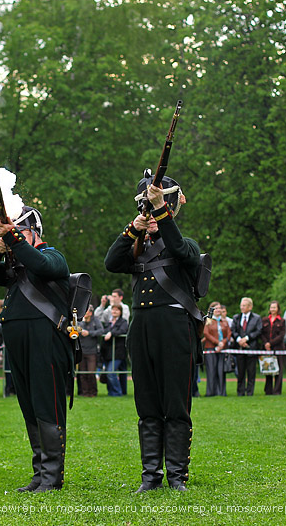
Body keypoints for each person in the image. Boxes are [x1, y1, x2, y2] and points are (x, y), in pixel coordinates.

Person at [104, 174, 199, 492]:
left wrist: (162, 213)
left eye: (158, 207)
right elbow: (111, 262)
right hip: (141, 329)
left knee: (175, 404)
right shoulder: (137, 246)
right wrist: (133, 229)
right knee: (146, 405)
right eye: (148, 207)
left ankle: (176, 475)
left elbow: (181, 249)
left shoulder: (185, 244)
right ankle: (150, 476)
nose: (153, 215)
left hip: (175, 329)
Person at [0, 205, 71, 492]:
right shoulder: (15, 267)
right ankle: (39, 472)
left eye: (19, 233)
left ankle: (52, 475)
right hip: (18, 342)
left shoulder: (52, 256)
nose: (13, 240)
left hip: (46, 341)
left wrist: (15, 240)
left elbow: (43, 266)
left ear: (33, 233)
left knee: (47, 405)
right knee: (30, 406)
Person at [231, 297, 262, 397]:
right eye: (241, 305)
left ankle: (249, 392)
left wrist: (247, 338)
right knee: (240, 372)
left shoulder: (257, 318)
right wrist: (239, 340)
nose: (241, 307)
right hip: (239, 349)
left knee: (251, 372)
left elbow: (258, 331)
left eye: (244, 305)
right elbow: (233, 330)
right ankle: (240, 392)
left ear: (250, 307)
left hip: (251, 348)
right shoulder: (236, 317)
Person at [203, 301, 231, 397]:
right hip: (210, 349)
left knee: (221, 371)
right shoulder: (208, 321)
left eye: (219, 308)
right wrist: (217, 343)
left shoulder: (224, 322)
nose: (218, 310)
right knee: (211, 371)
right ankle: (211, 392)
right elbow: (206, 333)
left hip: (222, 349)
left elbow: (229, 334)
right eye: (216, 308)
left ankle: (221, 392)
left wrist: (222, 343)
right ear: (212, 310)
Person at [101, 304, 129, 397]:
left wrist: (111, 333)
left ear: (120, 312)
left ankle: (118, 392)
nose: (114, 312)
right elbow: (103, 332)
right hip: (108, 352)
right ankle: (111, 392)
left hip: (119, 352)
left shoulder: (123, 322)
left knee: (111, 372)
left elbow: (123, 330)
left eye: (117, 310)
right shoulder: (108, 323)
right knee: (109, 372)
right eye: (113, 310)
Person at [78, 305, 104, 397]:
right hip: (82, 351)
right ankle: (85, 392)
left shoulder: (95, 321)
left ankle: (93, 392)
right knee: (82, 373)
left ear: (91, 312)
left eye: (87, 311)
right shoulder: (80, 321)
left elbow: (101, 331)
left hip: (92, 352)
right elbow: (75, 329)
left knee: (91, 373)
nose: (85, 313)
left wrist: (90, 333)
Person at [261, 301, 285, 395]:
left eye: (274, 308)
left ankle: (277, 390)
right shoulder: (265, 320)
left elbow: (281, 335)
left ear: (278, 309)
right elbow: (262, 333)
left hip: (278, 348)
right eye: (271, 307)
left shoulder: (282, 321)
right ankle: (268, 390)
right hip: (267, 349)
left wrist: (271, 343)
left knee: (278, 370)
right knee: (268, 369)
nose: (273, 309)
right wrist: (266, 343)